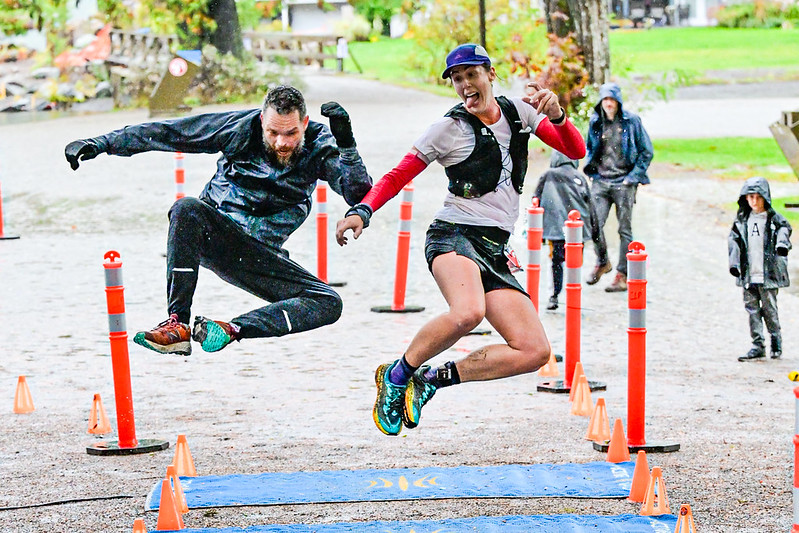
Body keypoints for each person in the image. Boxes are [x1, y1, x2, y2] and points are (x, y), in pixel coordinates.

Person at [335, 43, 586, 436]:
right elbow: (397, 176)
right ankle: (397, 376)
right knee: (468, 312)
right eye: (457, 78)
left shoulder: (520, 113)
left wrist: (557, 115)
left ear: (490, 74)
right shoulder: (447, 130)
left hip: (494, 248)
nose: (466, 84)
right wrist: (361, 211)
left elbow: (575, 149)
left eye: (472, 74)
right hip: (453, 235)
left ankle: (431, 380)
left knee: (534, 351)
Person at [65, 86, 372, 356]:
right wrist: (102, 143)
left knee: (328, 302)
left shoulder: (320, 145)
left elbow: (357, 193)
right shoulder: (238, 128)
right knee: (186, 208)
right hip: (216, 234)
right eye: (273, 133)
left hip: (260, 254)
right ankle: (177, 324)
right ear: (262, 121)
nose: (282, 142)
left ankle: (231, 329)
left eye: (291, 133)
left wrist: (347, 145)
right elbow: (169, 132)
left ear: (304, 124)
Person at [583, 82, 653, 292]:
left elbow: (646, 152)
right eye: (605, 99)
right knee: (594, 223)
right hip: (601, 181)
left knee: (624, 229)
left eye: (612, 99)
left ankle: (622, 275)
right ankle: (603, 261)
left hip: (624, 182)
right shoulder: (596, 122)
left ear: (618, 102)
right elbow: (589, 149)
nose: (608, 103)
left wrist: (632, 178)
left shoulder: (632, 121)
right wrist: (592, 172)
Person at [728, 176, 792, 362]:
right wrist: (735, 264)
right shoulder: (742, 221)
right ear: (745, 198)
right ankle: (757, 344)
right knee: (752, 310)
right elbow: (734, 242)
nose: (754, 201)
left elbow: (784, 230)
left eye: (758, 197)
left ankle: (776, 342)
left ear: (765, 197)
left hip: (768, 274)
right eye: (751, 197)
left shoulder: (774, 220)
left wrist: (781, 245)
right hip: (749, 274)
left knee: (770, 310)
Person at [533, 150, 605, 311]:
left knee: (556, 262)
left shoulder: (547, 175)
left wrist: (537, 230)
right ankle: (574, 297)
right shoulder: (579, 177)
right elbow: (591, 208)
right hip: (577, 231)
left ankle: (554, 296)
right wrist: (595, 233)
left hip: (555, 228)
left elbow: (535, 200)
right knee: (574, 264)